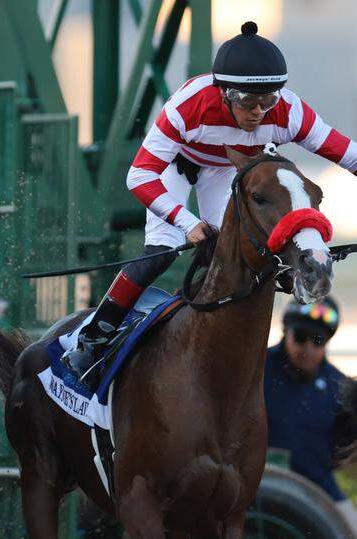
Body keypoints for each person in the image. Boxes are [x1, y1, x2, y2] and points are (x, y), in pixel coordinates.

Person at [63, 21, 357, 379]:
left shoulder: (291, 112)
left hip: (225, 171)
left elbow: (349, 155)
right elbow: (139, 175)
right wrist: (188, 223)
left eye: (269, 101)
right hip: (177, 165)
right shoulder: (190, 105)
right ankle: (95, 337)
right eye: (249, 102)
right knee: (163, 251)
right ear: (224, 94)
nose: (259, 113)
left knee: (243, 253)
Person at [265, 298, 355, 506]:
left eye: (317, 340)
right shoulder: (256, 369)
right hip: (257, 484)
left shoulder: (340, 386)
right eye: (300, 336)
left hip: (318, 489)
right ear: (286, 332)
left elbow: (345, 449)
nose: (308, 347)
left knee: (352, 534)